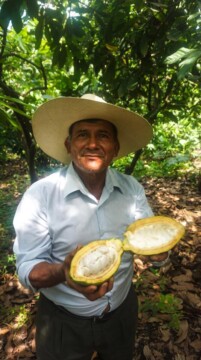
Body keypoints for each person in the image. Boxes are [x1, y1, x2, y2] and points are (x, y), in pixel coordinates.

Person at [13, 94, 169, 360]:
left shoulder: (131, 190)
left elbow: (152, 245)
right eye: (83, 134)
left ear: (116, 147)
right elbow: (28, 269)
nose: (93, 143)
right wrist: (65, 272)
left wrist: (160, 254)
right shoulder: (41, 195)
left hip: (121, 313)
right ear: (69, 144)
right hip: (63, 322)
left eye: (104, 136)